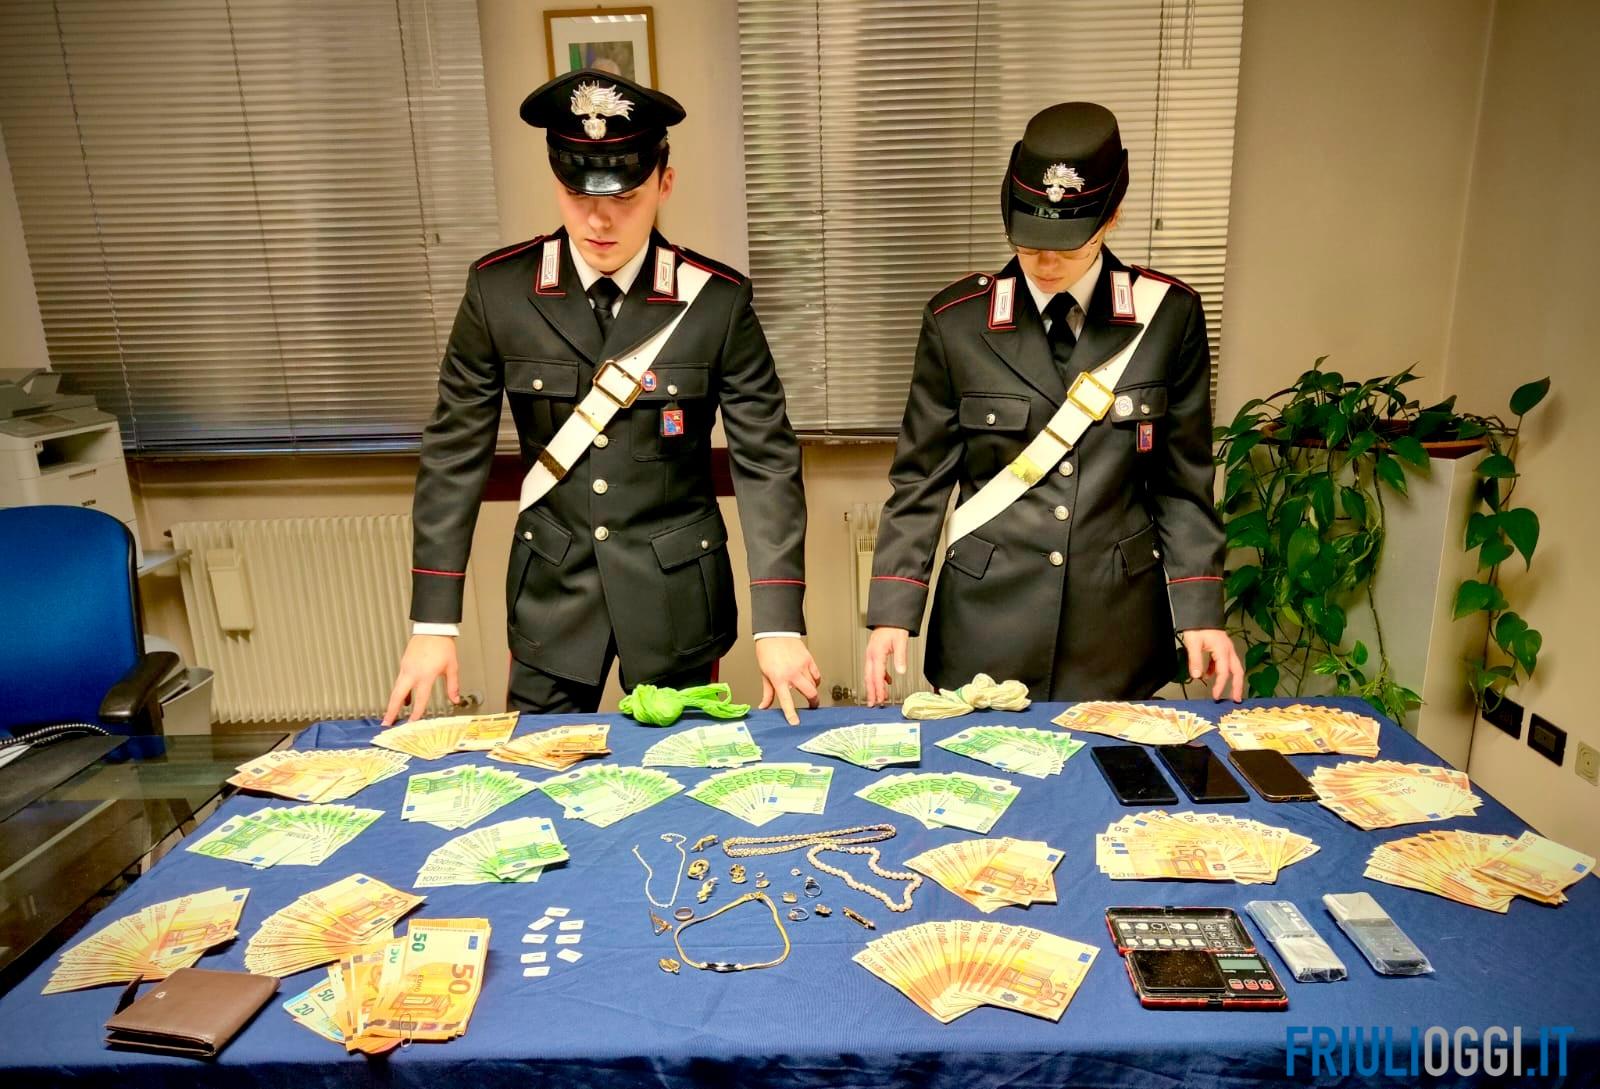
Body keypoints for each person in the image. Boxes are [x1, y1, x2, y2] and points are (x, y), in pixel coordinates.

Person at [385, 69, 820, 724]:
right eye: (575, 192)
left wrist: (778, 622)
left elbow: (767, 463)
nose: (597, 218)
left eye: (626, 195)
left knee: (679, 771)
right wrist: (433, 623)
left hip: (676, 594)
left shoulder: (716, 302)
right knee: (539, 769)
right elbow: (453, 457)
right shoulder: (500, 293)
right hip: (552, 596)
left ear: (664, 183)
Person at [862, 102, 1243, 706]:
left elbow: (1183, 483)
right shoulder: (956, 322)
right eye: (1029, 241)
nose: (1044, 262)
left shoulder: (1168, 316)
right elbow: (920, 480)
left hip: (1116, 631)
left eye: (1067, 245)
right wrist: (892, 609)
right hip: (985, 623)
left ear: (1111, 215)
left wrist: (1199, 609)